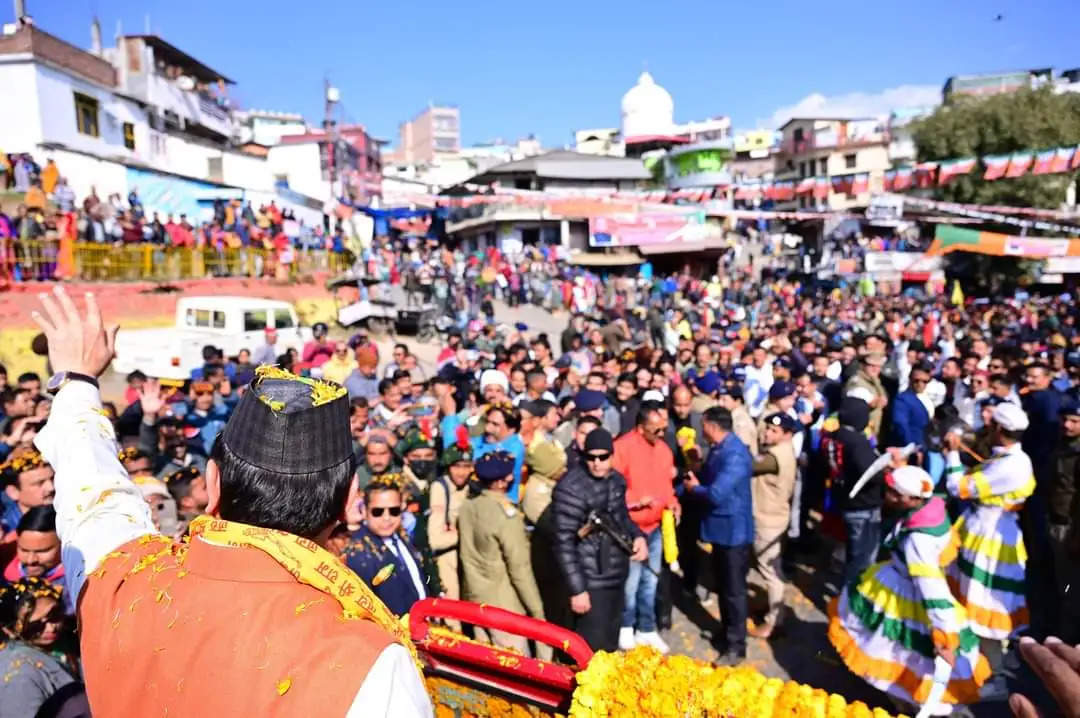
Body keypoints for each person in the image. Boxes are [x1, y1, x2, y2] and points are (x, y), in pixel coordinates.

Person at [29, 287, 430, 716]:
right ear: (350, 499)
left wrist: (76, 381)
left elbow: (91, 489)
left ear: (212, 481)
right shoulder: (372, 664)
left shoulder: (121, 578)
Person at [828, 465, 989, 715]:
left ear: (913, 499)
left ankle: (908, 703)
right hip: (900, 581)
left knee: (897, 651)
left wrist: (944, 633)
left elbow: (930, 585)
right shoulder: (930, 509)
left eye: (895, 493)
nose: (889, 496)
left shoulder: (918, 540)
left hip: (909, 593)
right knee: (896, 649)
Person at [944, 402, 1034, 641]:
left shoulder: (1011, 465)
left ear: (998, 429)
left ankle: (984, 652)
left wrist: (952, 454)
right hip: (983, 526)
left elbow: (957, 488)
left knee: (980, 590)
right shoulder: (1009, 458)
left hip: (990, 533)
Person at [551, 428, 647, 652]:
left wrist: (638, 537)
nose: (597, 463)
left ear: (612, 456)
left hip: (616, 575)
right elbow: (563, 544)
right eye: (591, 457)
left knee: (610, 646)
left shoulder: (616, 481)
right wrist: (577, 589)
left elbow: (622, 518)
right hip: (589, 581)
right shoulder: (570, 489)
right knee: (588, 652)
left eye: (603, 457)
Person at [457, 451, 547, 655]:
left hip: (475, 600)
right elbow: (519, 569)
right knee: (515, 666)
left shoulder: (468, 507)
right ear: (501, 482)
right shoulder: (507, 517)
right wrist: (537, 610)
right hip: (504, 606)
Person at [684, 406, 753, 664]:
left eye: (703, 426)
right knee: (724, 587)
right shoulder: (720, 448)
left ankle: (736, 646)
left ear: (712, 426)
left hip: (733, 532)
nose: (702, 431)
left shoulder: (735, 454)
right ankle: (727, 633)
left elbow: (716, 493)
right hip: (722, 531)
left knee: (734, 591)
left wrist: (695, 488)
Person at [612, 406, 678, 654]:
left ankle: (646, 628)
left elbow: (666, 486)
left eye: (663, 428)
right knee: (631, 581)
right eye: (656, 429)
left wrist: (673, 503)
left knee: (651, 580)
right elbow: (614, 489)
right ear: (641, 428)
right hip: (631, 527)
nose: (662, 433)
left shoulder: (663, 450)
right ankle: (626, 625)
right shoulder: (622, 448)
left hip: (657, 526)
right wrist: (635, 502)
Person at [345, 474, 431, 618]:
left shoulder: (403, 537)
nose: (387, 518)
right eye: (378, 511)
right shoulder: (358, 554)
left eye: (394, 511)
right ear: (364, 511)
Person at [0, 577, 83, 718]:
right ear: (10, 630)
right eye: (35, 626)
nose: (51, 628)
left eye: (54, 615)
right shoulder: (19, 677)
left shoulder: (69, 639)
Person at [747, 413, 798, 639]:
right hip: (776, 517)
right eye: (767, 429)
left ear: (787, 434)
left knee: (770, 572)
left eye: (774, 431)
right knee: (771, 567)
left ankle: (774, 621)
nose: (767, 433)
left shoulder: (773, 457)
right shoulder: (785, 451)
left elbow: (749, 465)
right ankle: (774, 610)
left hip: (767, 520)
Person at [826, 397, 886, 587]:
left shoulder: (832, 436)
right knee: (862, 560)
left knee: (854, 553)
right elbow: (871, 474)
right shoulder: (857, 443)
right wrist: (887, 467)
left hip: (844, 501)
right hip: (863, 506)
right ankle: (852, 598)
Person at [427, 427, 472, 620]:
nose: (462, 472)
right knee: (453, 612)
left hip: (468, 555)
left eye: (466, 466)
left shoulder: (472, 486)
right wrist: (464, 535)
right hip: (448, 558)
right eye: (456, 466)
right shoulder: (440, 487)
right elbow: (435, 540)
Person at [1049, 396, 1080, 643]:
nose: (1067, 425)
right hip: (1057, 520)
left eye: (1074, 421)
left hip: (1071, 527)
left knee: (1070, 586)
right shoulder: (1060, 444)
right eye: (1065, 419)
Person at [471, 404, 526, 503]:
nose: (487, 428)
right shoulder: (482, 440)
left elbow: (484, 467)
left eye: (495, 424)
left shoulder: (515, 449)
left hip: (503, 504)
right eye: (487, 422)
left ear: (511, 430)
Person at [1, 448, 54, 536]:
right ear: (13, 492)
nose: (51, 487)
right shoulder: (5, 532)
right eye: (39, 483)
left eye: (52, 479)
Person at [844, 352, 888, 439]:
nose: (875, 369)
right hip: (861, 434)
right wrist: (878, 401)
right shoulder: (856, 382)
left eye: (878, 366)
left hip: (874, 432)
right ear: (862, 365)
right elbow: (873, 403)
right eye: (871, 365)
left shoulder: (875, 381)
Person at [890, 363, 933, 450]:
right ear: (910, 379)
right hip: (910, 448)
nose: (920, 384)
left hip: (925, 446)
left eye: (924, 381)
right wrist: (911, 447)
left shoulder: (927, 398)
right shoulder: (902, 399)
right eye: (916, 380)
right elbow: (901, 425)